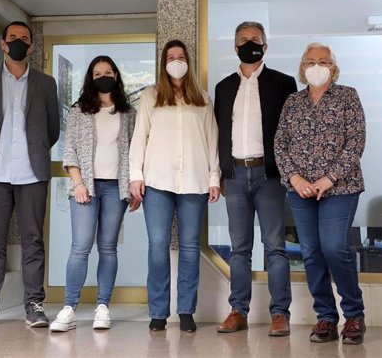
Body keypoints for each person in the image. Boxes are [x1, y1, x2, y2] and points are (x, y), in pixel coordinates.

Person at [0, 21, 60, 329]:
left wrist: (37, 148)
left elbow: (53, 129)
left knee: (33, 241)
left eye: (24, 39)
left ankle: (34, 304)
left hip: (33, 173)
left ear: (31, 46)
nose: (19, 42)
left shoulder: (46, 83)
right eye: (13, 37)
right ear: (3, 44)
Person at [274, 42, 366, 345]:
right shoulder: (292, 102)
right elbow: (280, 144)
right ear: (302, 68)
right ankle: (326, 317)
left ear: (333, 67)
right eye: (310, 61)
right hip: (300, 191)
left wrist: (329, 178)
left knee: (334, 248)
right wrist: (295, 177)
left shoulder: (347, 96)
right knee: (311, 253)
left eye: (323, 61)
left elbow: (356, 142)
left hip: (340, 188)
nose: (316, 66)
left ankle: (354, 315)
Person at [129, 39, 221, 333]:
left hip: (194, 181)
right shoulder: (150, 96)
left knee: (191, 247)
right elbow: (139, 136)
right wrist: (135, 175)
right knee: (157, 246)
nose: (177, 60)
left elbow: (212, 141)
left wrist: (214, 177)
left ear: (188, 63)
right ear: (163, 63)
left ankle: (185, 310)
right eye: (171, 56)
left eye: (181, 56)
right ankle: (158, 312)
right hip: (157, 181)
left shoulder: (203, 99)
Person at [215, 21, 297, 337]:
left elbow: (291, 132)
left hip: (270, 175)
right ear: (235, 48)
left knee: (275, 246)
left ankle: (280, 314)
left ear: (265, 45)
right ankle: (238, 310)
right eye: (243, 40)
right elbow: (218, 133)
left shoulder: (284, 83)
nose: (249, 43)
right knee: (239, 249)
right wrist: (219, 173)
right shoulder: (223, 87)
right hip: (235, 176)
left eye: (255, 39)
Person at [50, 56, 139, 332]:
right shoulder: (79, 110)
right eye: (97, 72)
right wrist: (78, 184)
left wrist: (135, 184)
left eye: (108, 71)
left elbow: (135, 151)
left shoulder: (128, 112)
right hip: (85, 186)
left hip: (116, 187)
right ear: (91, 77)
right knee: (80, 247)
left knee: (108, 248)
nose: (103, 75)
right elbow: (70, 150)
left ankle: (103, 307)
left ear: (116, 75)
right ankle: (69, 308)